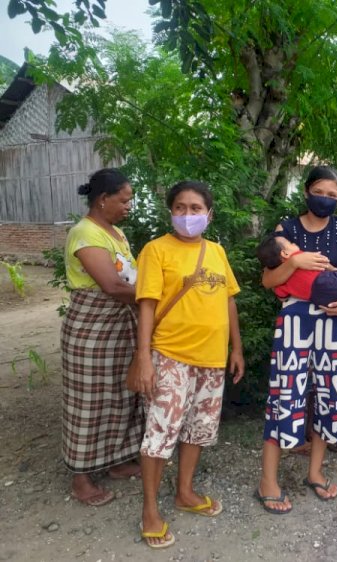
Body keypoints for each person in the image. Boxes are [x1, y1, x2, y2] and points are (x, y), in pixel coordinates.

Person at [257, 165, 337, 514]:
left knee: (329, 393)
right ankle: (268, 480)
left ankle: (315, 472)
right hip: (295, 320)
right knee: (284, 393)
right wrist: (297, 263)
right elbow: (268, 281)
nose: (324, 199)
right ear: (307, 191)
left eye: (332, 195)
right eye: (319, 192)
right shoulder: (287, 228)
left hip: (336, 320)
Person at [131, 181, 244, 549]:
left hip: (211, 359)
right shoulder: (155, 250)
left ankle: (185, 492)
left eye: (196, 208)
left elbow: (229, 301)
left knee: (198, 429)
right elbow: (146, 303)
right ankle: (150, 510)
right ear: (170, 211)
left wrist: (236, 349)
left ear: (209, 214)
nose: (188, 214)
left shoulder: (217, 251)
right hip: (170, 356)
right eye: (180, 207)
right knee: (160, 432)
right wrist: (144, 356)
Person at [60, 168, 143, 506]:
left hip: (120, 329)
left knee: (123, 395)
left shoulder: (116, 233)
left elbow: (130, 275)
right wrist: (157, 298)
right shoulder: (85, 233)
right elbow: (111, 286)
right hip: (93, 331)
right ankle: (81, 478)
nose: (129, 206)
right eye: (124, 200)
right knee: (88, 403)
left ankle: (117, 459)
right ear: (102, 200)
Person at [255, 235, 337, 332]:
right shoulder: (300, 256)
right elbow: (323, 261)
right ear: (285, 253)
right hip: (329, 281)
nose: (294, 243)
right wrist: (333, 269)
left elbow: (282, 297)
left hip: (319, 299)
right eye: (290, 243)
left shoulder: (281, 280)